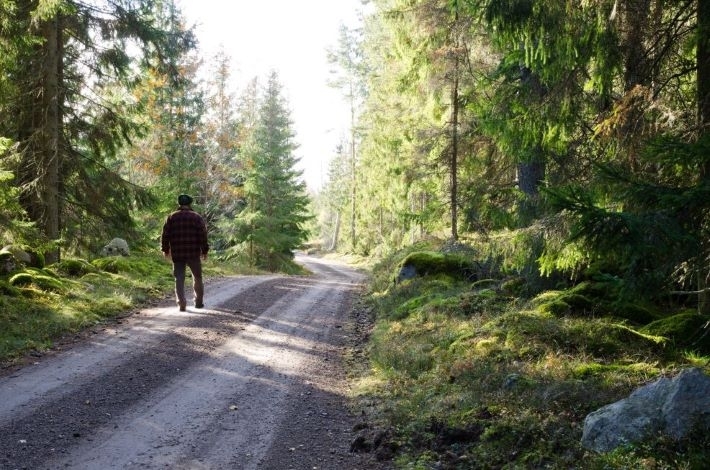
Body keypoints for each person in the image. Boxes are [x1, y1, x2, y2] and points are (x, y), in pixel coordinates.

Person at [160, 194, 209, 311]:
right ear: (190, 204)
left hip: (178, 252)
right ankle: (198, 302)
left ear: (179, 204)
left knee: (179, 278)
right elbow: (203, 235)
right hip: (193, 253)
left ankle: (181, 304)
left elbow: (165, 235)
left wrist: (165, 249)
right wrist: (205, 250)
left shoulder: (171, 217)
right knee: (197, 277)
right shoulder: (197, 217)